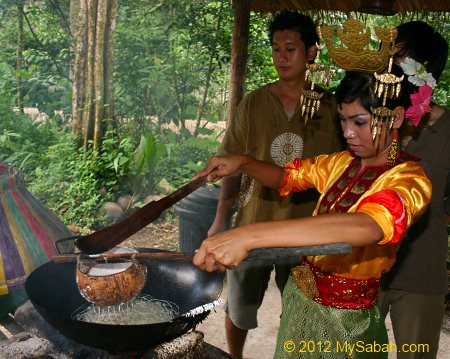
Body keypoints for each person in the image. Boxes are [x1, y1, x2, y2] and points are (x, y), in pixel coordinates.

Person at [193, 60, 432, 357]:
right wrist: (243, 162)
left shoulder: (409, 179)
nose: (348, 132)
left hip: (348, 324)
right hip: (302, 303)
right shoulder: (340, 163)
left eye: (359, 122)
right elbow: (285, 177)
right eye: (343, 121)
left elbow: (371, 226)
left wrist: (250, 235)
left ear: (395, 118)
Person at [208, 11, 344, 358]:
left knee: (299, 311)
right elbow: (231, 165)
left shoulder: (331, 108)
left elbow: (342, 174)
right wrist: (220, 219)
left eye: (291, 48)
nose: (282, 57)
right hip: (252, 223)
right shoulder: (253, 103)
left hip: (306, 231)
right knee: (239, 308)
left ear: (311, 52)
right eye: (276, 49)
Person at [377, 21, 449, 358]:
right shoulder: (375, 120)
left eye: (398, 62)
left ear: (425, 73)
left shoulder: (447, 131)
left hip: (422, 273)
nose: (389, 71)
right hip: (367, 269)